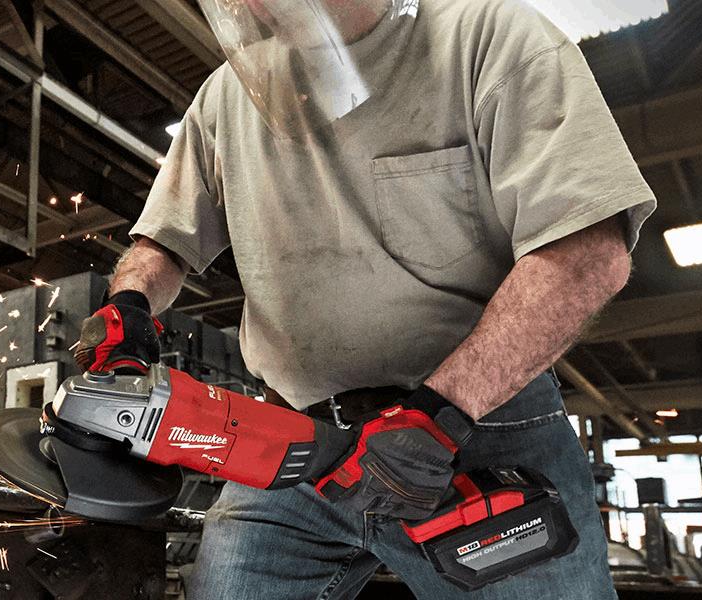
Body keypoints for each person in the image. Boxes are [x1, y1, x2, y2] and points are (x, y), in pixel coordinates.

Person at [71, 0, 656, 597]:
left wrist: (442, 411)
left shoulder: (490, 38)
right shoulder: (227, 95)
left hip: (479, 428)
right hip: (290, 443)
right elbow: (162, 242)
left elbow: (587, 253)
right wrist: (131, 303)